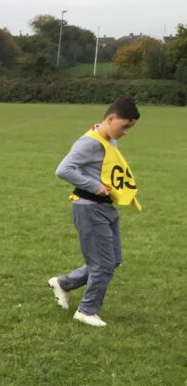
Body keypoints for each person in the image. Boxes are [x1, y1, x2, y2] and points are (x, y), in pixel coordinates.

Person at [48, 97, 141, 327]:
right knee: (103, 265)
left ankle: (63, 283)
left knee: (113, 260)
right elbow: (63, 170)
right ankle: (86, 311)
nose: (126, 132)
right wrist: (95, 186)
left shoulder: (107, 139)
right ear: (110, 118)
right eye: (125, 126)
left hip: (105, 208)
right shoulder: (89, 142)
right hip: (89, 208)